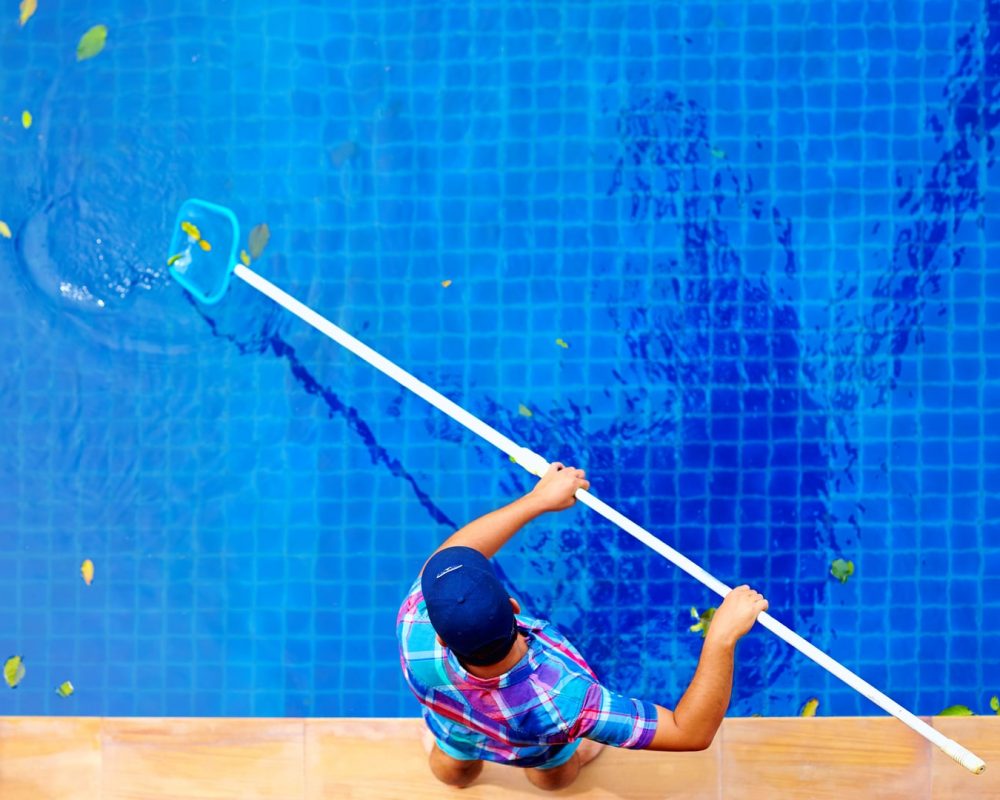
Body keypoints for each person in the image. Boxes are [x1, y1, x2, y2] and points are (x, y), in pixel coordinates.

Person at [396, 462, 768, 791]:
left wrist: (536, 500)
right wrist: (721, 638)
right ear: (513, 606)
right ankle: (552, 778)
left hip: (456, 723)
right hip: (536, 745)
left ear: (443, 635)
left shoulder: (416, 629)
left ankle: (456, 777)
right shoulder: (568, 702)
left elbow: (449, 557)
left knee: (452, 764)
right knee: (555, 770)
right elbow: (691, 733)